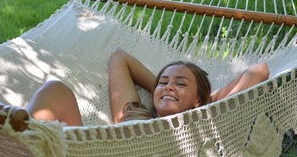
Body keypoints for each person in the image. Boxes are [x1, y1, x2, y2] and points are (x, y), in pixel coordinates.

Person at [25, 47, 270, 126]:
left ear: (198, 100)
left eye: (180, 83)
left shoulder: (201, 121)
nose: (169, 86)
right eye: (163, 82)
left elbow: (259, 71)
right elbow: (120, 57)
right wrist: (165, 91)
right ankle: (16, 137)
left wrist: (202, 101)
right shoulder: (133, 112)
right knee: (55, 90)